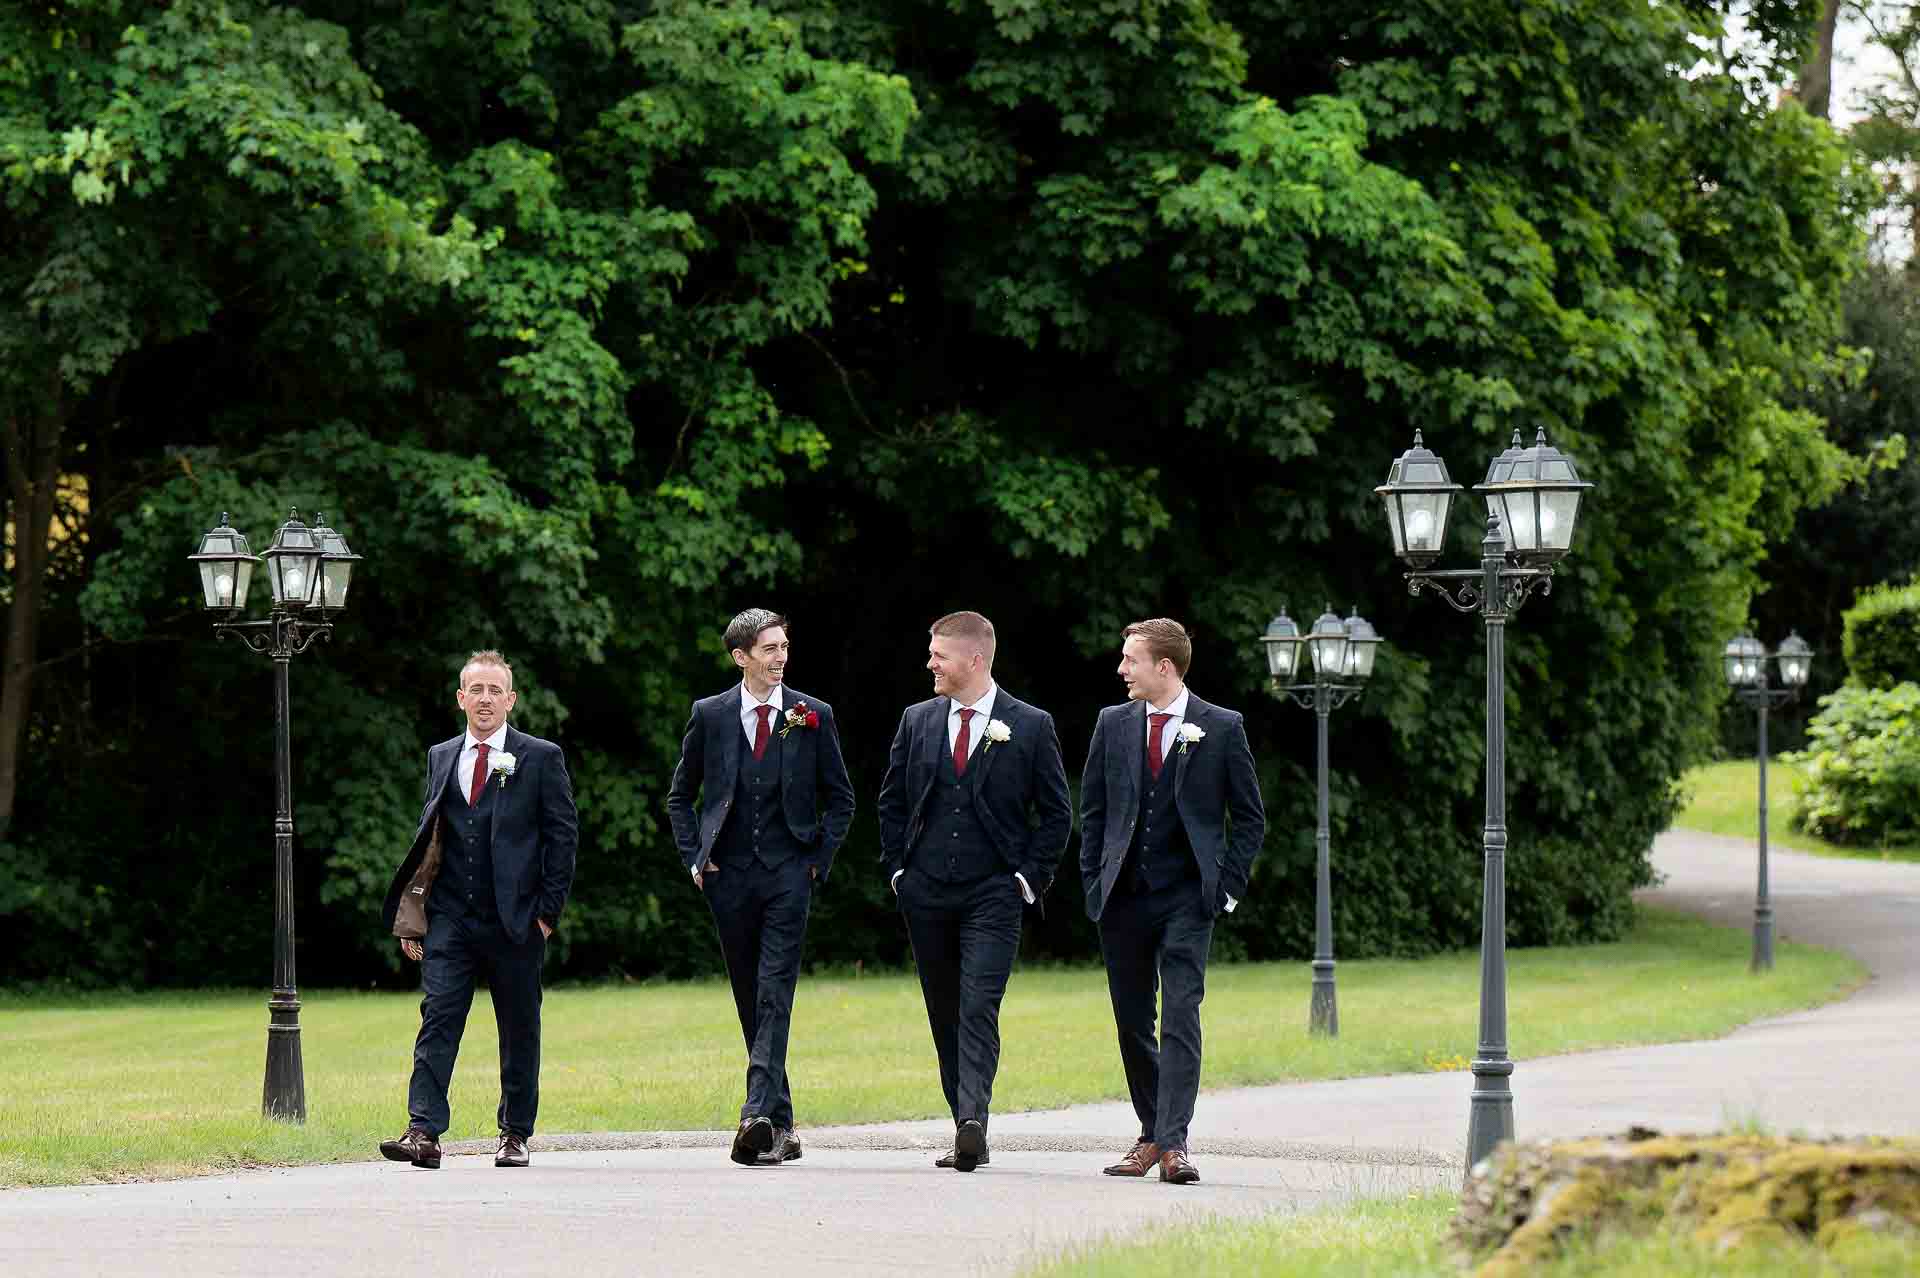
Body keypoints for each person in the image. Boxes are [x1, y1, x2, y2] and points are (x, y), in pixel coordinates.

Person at [877, 610, 1071, 1172]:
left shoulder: (1030, 725)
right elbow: (890, 802)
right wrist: (898, 871)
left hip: (995, 892)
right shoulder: (917, 720)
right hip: (927, 891)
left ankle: (971, 1123)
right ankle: (962, 1117)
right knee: (944, 1009)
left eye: (939, 654)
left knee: (979, 1005)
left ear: (975, 659)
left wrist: (1025, 881)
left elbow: (1056, 814)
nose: (930, 663)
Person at [666, 608, 856, 1166]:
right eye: (769, 649)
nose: (780, 657)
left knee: (775, 990)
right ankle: (784, 1123)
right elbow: (681, 796)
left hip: (788, 875)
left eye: (783, 647)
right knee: (750, 995)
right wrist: (694, 858)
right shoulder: (712, 714)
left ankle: (755, 1116)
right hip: (727, 877)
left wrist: (817, 860)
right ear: (740, 657)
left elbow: (842, 797)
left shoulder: (810, 714)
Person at [1079, 618, 1265, 1185]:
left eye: (1130, 659)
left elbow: (1250, 818)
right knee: (1133, 1021)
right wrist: (1094, 881)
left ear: (1164, 667)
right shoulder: (1112, 724)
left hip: (1190, 899)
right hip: (1123, 897)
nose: (1121, 669)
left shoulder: (1222, 726)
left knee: (1181, 1016)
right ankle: (1152, 1131)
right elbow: (1093, 812)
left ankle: (1173, 1144)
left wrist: (1226, 889)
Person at [378, 649, 578, 1170]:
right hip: (450, 918)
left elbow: (563, 839)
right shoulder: (441, 755)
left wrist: (546, 914)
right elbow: (432, 840)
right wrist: (415, 913)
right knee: (437, 1017)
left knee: (518, 1027)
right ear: (460, 698)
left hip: (516, 921)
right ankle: (423, 1130)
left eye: (495, 691)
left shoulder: (541, 756)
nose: (485, 699)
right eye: (476, 690)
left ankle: (514, 1133)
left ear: (510, 700)